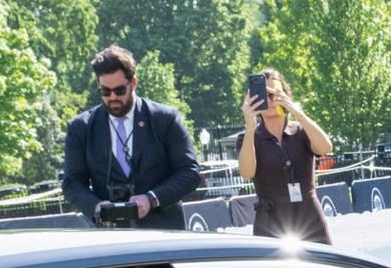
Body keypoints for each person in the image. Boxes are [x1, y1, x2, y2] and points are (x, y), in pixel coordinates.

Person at [61, 47, 202, 231]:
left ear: (133, 83)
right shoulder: (81, 127)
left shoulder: (165, 119)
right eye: (105, 91)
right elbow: (72, 183)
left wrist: (151, 199)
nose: (112, 98)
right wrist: (96, 207)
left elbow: (190, 172)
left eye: (119, 90)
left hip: (164, 235)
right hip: (111, 238)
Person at [236, 70, 333, 243]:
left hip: (309, 219)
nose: (269, 100)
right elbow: (247, 173)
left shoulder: (301, 131)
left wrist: (298, 113)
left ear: (286, 94)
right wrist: (250, 125)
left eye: (274, 94)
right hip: (271, 224)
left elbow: (325, 147)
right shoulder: (248, 138)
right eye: (263, 95)